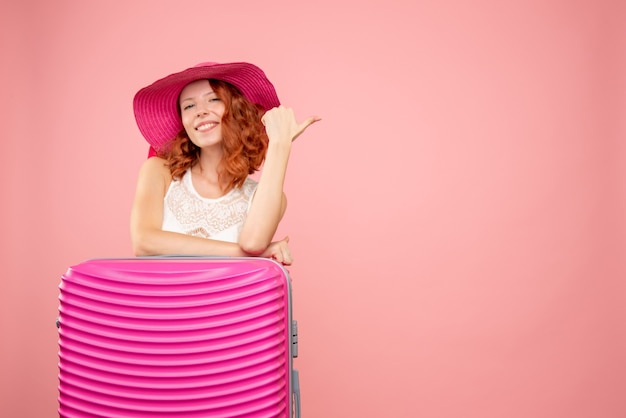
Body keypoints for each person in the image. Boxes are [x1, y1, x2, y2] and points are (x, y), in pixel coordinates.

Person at [130, 61, 319, 265]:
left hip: (229, 298)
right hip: (162, 296)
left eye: (213, 100)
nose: (200, 111)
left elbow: (253, 244)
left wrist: (280, 144)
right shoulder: (160, 171)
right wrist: (245, 253)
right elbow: (144, 241)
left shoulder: (265, 198)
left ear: (236, 111)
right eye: (189, 106)